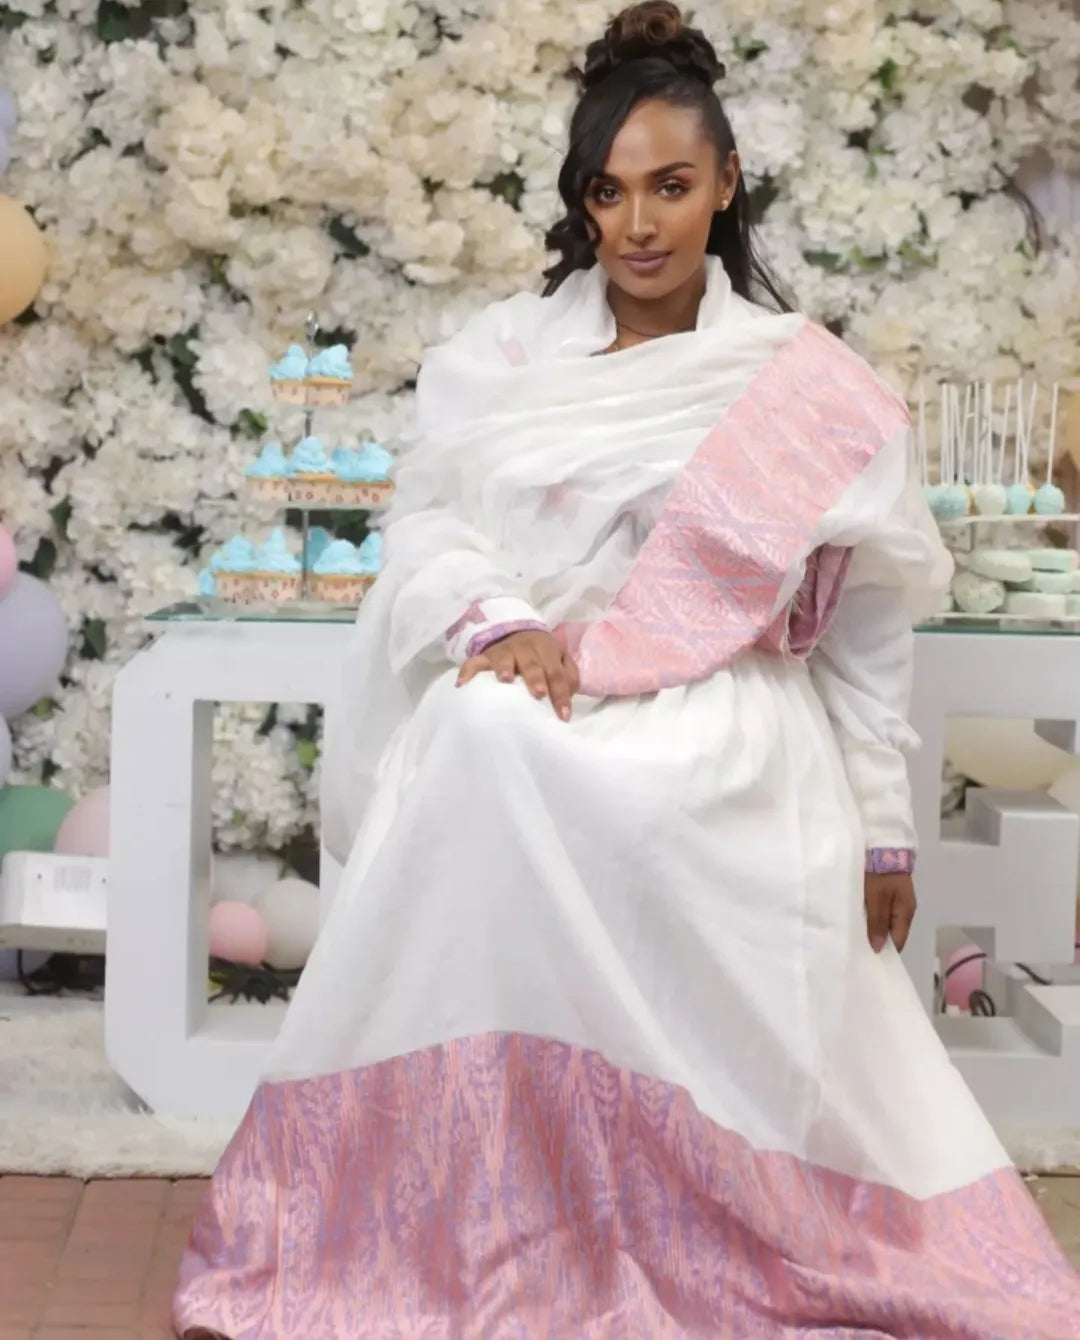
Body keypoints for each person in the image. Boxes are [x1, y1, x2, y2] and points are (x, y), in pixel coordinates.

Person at [174, 4, 1080, 1337]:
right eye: (611, 191)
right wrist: (498, 622)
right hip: (536, 690)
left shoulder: (796, 381)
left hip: (721, 720)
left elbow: (867, 629)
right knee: (483, 741)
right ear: (580, 204)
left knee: (658, 788)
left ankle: (712, 1217)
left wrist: (888, 832)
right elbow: (427, 525)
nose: (642, 223)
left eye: (670, 186)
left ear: (723, 186)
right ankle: (472, 1216)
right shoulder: (502, 360)